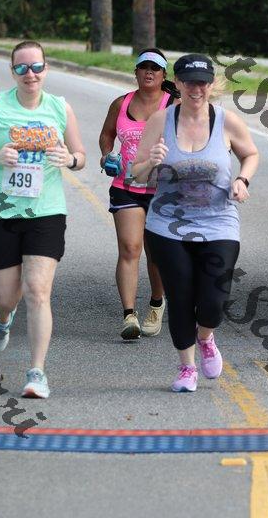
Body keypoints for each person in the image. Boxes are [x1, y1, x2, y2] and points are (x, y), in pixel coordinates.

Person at [0, 40, 86, 398]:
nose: (29, 74)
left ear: (46, 69)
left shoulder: (60, 107)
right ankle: (2, 320)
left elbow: (80, 155)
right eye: (21, 68)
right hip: (1, 211)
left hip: (46, 211)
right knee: (5, 297)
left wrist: (70, 160)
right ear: (12, 71)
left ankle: (37, 373)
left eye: (36, 67)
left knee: (37, 290)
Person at [132, 53, 259, 391]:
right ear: (178, 83)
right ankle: (187, 367)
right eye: (189, 81)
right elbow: (137, 172)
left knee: (213, 301)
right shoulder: (161, 121)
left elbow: (250, 153)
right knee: (180, 296)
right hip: (167, 226)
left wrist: (242, 180)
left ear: (211, 84)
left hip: (219, 223)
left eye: (202, 82)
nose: (196, 88)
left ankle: (206, 337)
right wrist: (152, 162)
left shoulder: (226, 121)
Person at [99, 48, 180, 340]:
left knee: (155, 254)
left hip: (163, 190)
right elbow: (107, 134)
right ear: (135, 72)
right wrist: (107, 155)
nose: (149, 72)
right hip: (126, 186)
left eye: (155, 68)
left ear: (163, 74)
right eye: (143, 67)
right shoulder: (120, 103)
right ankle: (129, 316)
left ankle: (156, 304)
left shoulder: (175, 104)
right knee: (130, 248)